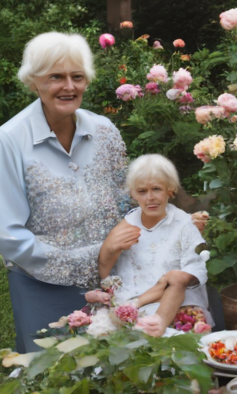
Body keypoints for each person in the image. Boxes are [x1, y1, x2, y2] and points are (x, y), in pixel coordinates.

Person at [0, 32, 130, 353]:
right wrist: (85, 261)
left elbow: (126, 199)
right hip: (42, 285)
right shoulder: (9, 140)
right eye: (55, 77)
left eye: (77, 76)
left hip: (112, 279)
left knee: (116, 377)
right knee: (53, 380)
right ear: (34, 82)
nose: (69, 87)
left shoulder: (104, 130)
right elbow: (8, 234)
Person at [94, 154, 212, 337]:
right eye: (142, 191)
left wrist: (178, 278)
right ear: (133, 194)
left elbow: (196, 268)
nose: (150, 198)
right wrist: (110, 250)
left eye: (156, 189)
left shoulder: (183, 223)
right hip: (135, 299)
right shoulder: (127, 225)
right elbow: (105, 276)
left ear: (170, 190)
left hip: (176, 300)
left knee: (185, 337)